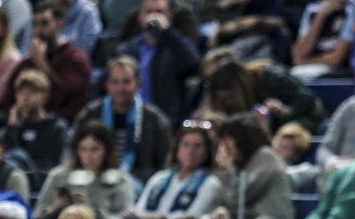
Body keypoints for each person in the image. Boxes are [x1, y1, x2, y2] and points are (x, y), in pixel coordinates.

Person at [114, 120, 220, 219]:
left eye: (198, 146)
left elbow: (189, 218)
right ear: (177, 149)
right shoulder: (160, 178)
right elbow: (140, 209)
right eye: (186, 145)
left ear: (206, 152)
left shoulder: (210, 183)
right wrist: (145, 216)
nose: (190, 151)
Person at [72, 56, 171, 185]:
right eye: (115, 82)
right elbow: (72, 151)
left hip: (139, 184)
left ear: (138, 84)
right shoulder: (90, 115)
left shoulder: (155, 120)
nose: (120, 88)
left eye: (126, 82)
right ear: (107, 84)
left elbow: (164, 164)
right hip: (91, 179)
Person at [34, 122, 135, 219]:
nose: (88, 156)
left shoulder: (119, 180)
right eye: (83, 149)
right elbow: (37, 218)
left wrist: (92, 209)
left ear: (106, 151)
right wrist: (55, 208)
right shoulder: (59, 176)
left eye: (95, 149)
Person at [114, 0, 200, 128]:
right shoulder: (127, 49)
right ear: (140, 17)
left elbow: (194, 63)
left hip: (167, 122)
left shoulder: (175, 47)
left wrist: (168, 31)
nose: (154, 17)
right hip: (132, 121)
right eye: (149, 12)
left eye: (159, 12)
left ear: (169, 16)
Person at [200, 49, 326, 134]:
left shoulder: (269, 75)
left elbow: (306, 100)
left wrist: (280, 112)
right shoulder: (216, 90)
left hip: (301, 119)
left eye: (230, 98)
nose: (228, 103)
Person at [9, 1, 92, 122]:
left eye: (44, 24)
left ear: (59, 25)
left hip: (60, 125)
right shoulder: (27, 62)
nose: (38, 31)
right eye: (35, 25)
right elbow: (8, 97)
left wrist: (41, 64)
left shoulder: (75, 59)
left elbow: (61, 97)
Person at [211, 112, 294, 219]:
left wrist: (227, 169)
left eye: (227, 140)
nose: (224, 147)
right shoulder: (244, 164)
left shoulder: (266, 157)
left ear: (242, 138)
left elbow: (237, 199)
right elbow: (221, 200)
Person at [2, 69, 69, 174]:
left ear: (44, 97)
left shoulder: (56, 127)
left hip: (41, 179)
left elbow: (53, 163)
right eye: (20, 93)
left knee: (18, 156)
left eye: (30, 93)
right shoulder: (15, 126)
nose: (24, 98)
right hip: (16, 178)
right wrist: (12, 127)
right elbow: (6, 158)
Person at [292, 0, 355, 77]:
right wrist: (321, 15)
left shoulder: (354, 10)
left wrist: (305, 61)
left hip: (343, 71)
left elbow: (336, 60)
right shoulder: (312, 9)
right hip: (313, 67)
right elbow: (301, 52)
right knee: (295, 74)